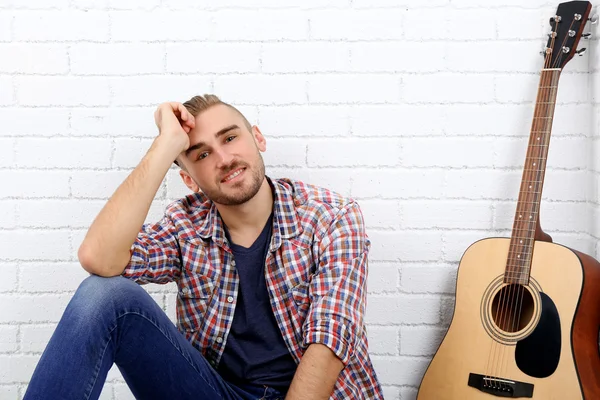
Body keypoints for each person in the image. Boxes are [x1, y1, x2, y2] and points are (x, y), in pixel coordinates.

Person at [23, 94, 383, 400]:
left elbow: (330, 340)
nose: (224, 160)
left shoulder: (331, 217)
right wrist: (166, 145)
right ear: (188, 179)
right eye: (201, 155)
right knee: (105, 295)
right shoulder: (187, 226)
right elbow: (98, 258)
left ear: (257, 137)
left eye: (229, 139)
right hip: (219, 391)